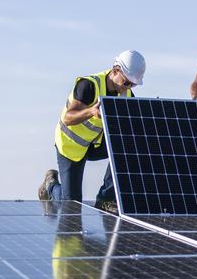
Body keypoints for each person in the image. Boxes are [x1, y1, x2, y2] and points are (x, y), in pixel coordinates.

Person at [38, 50, 146, 213]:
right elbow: (68, 117)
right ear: (115, 71)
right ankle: (51, 187)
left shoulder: (126, 95)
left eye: (133, 84)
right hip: (71, 146)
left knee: (128, 144)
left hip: (94, 144)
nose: (129, 87)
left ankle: (105, 198)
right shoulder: (88, 86)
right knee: (72, 205)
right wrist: (90, 112)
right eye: (126, 83)